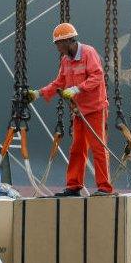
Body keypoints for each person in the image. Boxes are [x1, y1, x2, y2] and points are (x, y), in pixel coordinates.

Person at [29, 23, 115, 196]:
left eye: (59, 44)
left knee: (98, 147)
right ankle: (74, 185)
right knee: (77, 148)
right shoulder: (65, 60)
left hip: (95, 109)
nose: (58, 48)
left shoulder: (88, 53)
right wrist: (38, 93)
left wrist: (77, 89)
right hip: (79, 111)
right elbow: (59, 82)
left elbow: (97, 76)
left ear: (69, 40)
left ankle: (104, 188)